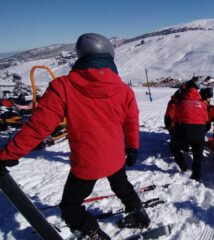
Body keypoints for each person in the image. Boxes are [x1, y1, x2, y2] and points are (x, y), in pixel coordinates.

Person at [0, 33, 150, 239]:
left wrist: (9, 154)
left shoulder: (63, 86)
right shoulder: (124, 90)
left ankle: (91, 232)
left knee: (70, 206)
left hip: (87, 164)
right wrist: (132, 147)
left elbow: (39, 127)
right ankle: (139, 214)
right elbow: (131, 121)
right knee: (121, 185)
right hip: (115, 157)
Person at [169, 78, 208, 180]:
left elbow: (176, 118)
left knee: (173, 146)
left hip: (185, 130)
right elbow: (206, 119)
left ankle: (183, 165)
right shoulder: (203, 103)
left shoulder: (181, 102)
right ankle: (196, 173)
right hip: (200, 131)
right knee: (197, 154)